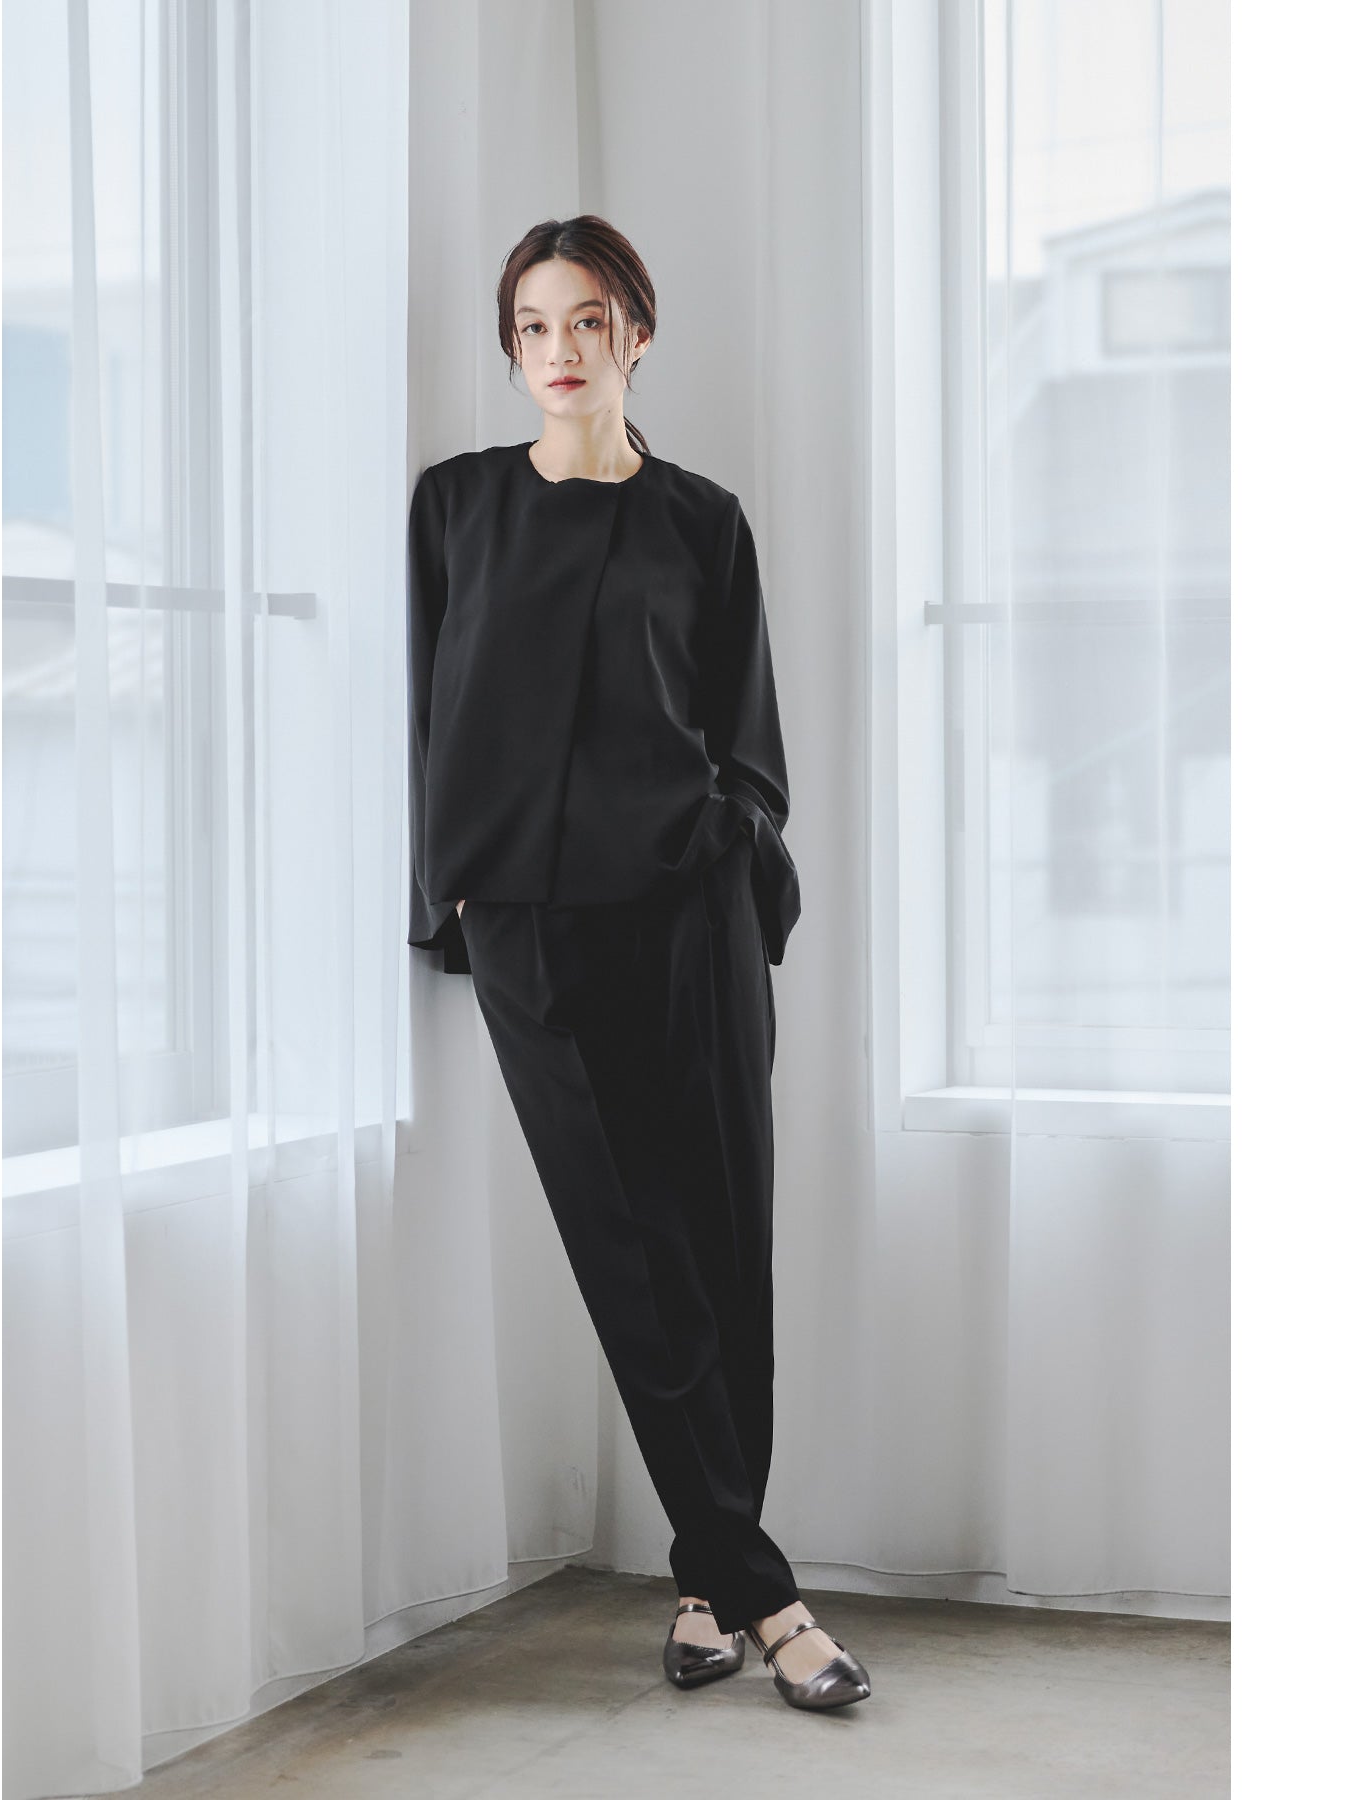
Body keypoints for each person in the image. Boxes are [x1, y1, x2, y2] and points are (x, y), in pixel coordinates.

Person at [406, 215, 870, 1712]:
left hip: (690, 914)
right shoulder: (457, 507)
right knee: (630, 1255)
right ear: (511, 347)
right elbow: (424, 711)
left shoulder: (702, 521)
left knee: (723, 1247)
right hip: (532, 924)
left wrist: (730, 846)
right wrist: (450, 895)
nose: (560, 351)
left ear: (637, 335)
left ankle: (703, 1582)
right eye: (534, 326)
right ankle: (773, 1600)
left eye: (588, 321)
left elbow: (754, 739)